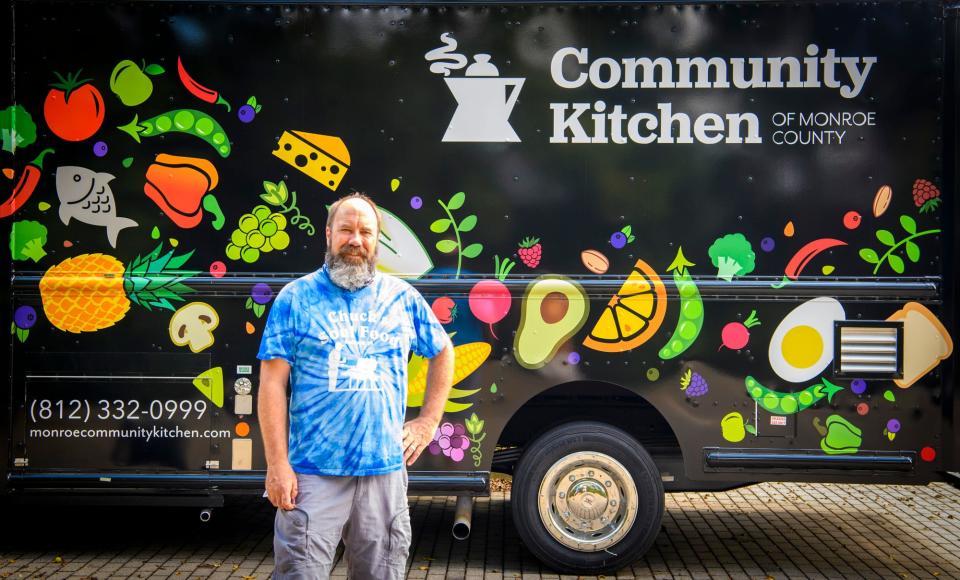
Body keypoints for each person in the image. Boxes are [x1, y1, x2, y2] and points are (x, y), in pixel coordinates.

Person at [257, 192, 455, 579]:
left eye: (366, 231)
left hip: (383, 471)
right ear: (328, 234)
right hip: (313, 473)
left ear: (377, 241)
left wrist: (429, 420)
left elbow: (443, 351)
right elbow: (271, 384)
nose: (355, 239)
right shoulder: (295, 299)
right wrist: (277, 464)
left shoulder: (402, 298)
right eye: (346, 229)